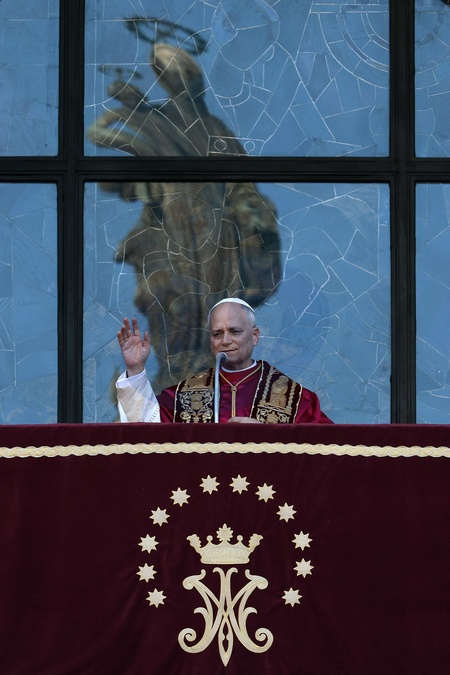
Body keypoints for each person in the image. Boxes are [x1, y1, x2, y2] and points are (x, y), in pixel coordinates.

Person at [115, 299, 333, 424]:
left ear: (255, 336)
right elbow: (147, 430)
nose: (226, 341)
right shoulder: (182, 397)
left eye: (235, 331)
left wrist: (271, 435)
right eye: (217, 334)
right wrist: (135, 369)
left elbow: (324, 448)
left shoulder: (294, 399)